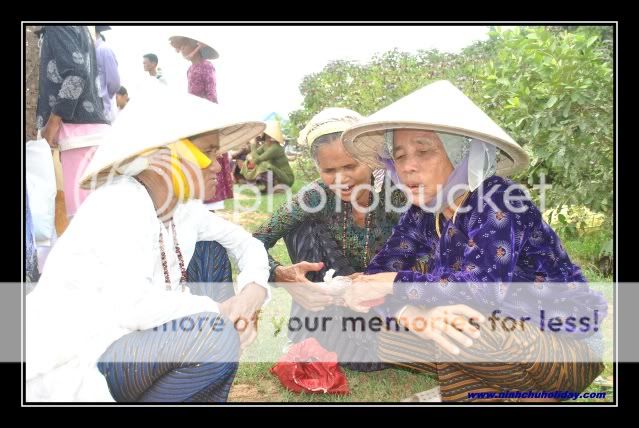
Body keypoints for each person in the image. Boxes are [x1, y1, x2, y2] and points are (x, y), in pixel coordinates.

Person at [340, 80, 608, 402]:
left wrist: (392, 284)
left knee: (469, 323)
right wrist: (411, 312)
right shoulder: (424, 211)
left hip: (562, 343)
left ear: (461, 153)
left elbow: (480, 291)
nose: (408, 165)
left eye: (424, 151)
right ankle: (493, 392)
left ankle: (528, 391)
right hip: (500, 335)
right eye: (399, 156)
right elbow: (379, 274)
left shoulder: (501, 199)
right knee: (370, 320)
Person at [26, 83, 271, 402]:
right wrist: (220, 311)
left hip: (132, 342)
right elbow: (134, 307)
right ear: (167, 155)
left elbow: (245, 243)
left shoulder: (183, 210)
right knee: (215, 333)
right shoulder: (120, 203)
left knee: (212, 253)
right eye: (209, 152)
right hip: (77, 356)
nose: (217, 165)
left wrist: (253, 290)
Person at [253, 108, 405, 370]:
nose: (341, 179)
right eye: (329, 170)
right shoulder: (316, 196)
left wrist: (380, 281)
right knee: (301, 225)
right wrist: (281, 274)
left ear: (371, 160)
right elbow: (252, 244)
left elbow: (429, 250)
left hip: (386, 293)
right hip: (333, 296)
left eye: (350, 166)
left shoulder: (397, 193)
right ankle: (324, 325)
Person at [35, 25, 110, 222]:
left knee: (81, 221)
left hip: (75, 133)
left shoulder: (57, 28)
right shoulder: (79, 28)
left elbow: (76, 75)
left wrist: (53, 122)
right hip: (87, 130)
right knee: (92, 217)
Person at [169, 30, 233, 211]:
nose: (181, 49)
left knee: (210, 158)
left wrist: (212, 124)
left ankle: (211, 202)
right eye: (180, 46)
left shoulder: (207, 66)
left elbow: (211, 96)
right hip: (194, 122)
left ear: (196, 45)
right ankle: (197, 198)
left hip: (208, 121)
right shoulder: (189, 69)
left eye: (184, 44)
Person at [240, 119, 295, 190]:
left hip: (286, 178)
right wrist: (250, 157)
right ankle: (264, 185)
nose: (264, 137)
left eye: (266, 136)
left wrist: (253, 145)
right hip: (276, 173)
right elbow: (252, 155)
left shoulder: (275, 148)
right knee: (250, 162)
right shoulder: (265, 145)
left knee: (264, 165)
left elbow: (257, 160)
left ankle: (273, 186)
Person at [94, 25, 121, 122]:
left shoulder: (104, 49)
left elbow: (114, 83)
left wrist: (104, 96)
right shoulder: (90, 51)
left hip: (103, 110)